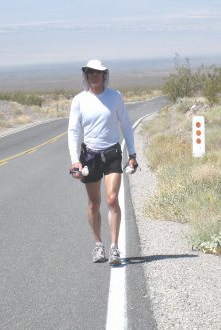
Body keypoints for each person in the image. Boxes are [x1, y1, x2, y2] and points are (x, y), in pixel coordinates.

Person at [68, 59, 138, 265]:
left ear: (104, 75)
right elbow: (73, 132)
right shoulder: (79, 100)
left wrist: (132, 154)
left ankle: (115, 247)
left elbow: (125, 123)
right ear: (86, 76)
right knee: (94, 203)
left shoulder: (114, 97)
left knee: (111, 199)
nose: (94, 76)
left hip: (112, 153)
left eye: (98, 73)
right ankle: (99, 245)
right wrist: (75, 161)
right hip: (90, 156)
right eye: (90, 72)